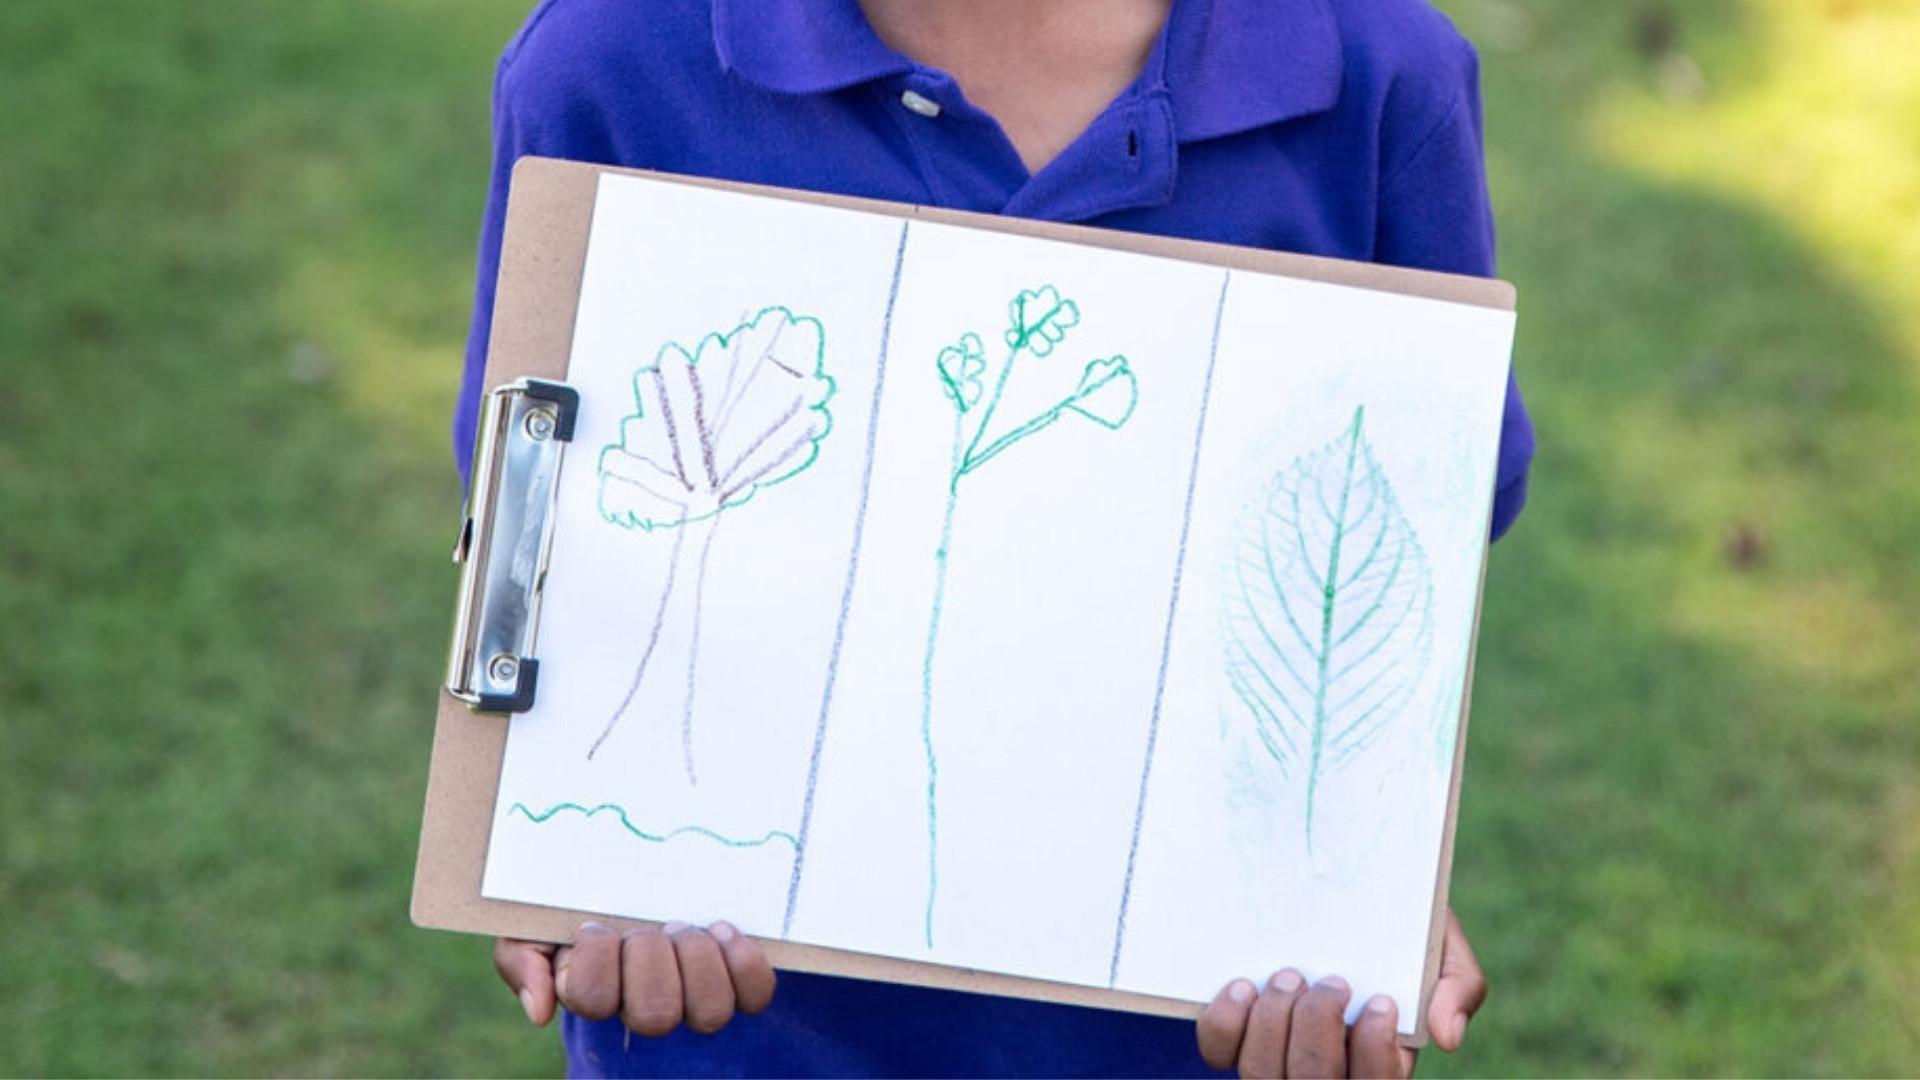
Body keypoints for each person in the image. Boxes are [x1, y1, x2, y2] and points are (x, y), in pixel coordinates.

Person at [459, 0, 1531, 1075]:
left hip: (1199, 1017)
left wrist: (1363, 872)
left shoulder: (1382, 75)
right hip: (752, 1035)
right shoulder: (608, 64)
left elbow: (1424, 517)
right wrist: (539, 851)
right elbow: (531, 538)